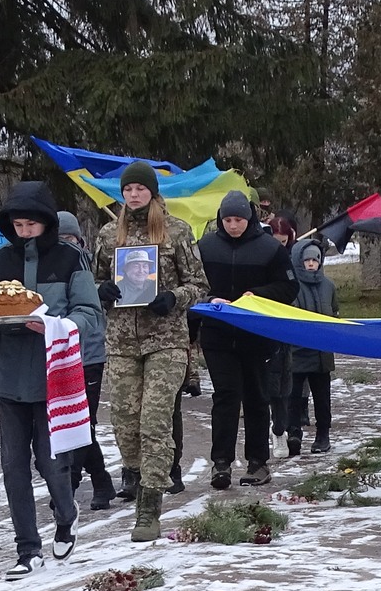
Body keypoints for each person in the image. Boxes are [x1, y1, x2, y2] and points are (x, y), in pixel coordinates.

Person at [0, 182, 103, 576]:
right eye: (18, 224)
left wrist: (55, 326)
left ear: (45, 223)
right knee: (13, 466)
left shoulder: (70, 260)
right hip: (10, 379)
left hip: (55, 378)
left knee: (51, 463)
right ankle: (27, 550)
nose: (24, 231)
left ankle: (66, 514)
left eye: (31, 224)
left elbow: (90, 315)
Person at [92, 161, 205, 541]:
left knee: (154, 420)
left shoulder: (176, 232)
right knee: (124, 421)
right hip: (122, 341)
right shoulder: (109, 235)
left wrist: (174, 297)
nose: (134, 194)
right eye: (128, 189)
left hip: (166, 340)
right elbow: (94, 281)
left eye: (140, 188)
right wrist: (100, 291)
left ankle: (150, 505)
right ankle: (136, 474)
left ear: (153, 192)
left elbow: (199, 284)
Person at [196, 190, 296, 489]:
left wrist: (258, 296)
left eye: (238, 219)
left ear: (249, 218)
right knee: (226, 397)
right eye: (227, 219)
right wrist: (210, 298)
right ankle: (221, 464)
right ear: (220, 220)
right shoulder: (205, 247)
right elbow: (192, 284)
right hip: (217, 335)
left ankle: (258, 462)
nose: (233, 225)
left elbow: (289, 288)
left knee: (256, 397)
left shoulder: (269, 248)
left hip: (257, 335)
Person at [58, 210, 116, 510]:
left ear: (80, 240)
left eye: (69, 238)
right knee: (66, 422)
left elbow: (89, 300)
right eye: (59, 239)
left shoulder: (91, 264)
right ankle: (101, 479)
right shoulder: (49, 266)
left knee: (84, 421)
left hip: (90, 354)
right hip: (57, 355)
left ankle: (69, 482)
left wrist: (102, 290)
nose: (65, 245)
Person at [284, 237, 338, 456]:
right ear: (299, 260)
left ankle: (323, 434)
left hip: (322, 354)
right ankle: (294, 432)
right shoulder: (291, 286)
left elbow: (334, 312)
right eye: (307, 260)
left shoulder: (328, 286)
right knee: (293, 396)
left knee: (322, 398)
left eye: (315, 259)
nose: (311, 264)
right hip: (297, 353)